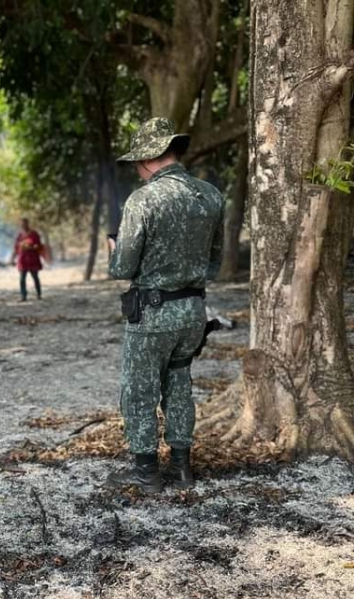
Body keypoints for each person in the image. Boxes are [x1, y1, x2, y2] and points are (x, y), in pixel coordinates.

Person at [107, 117, 224, 494]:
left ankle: (146, 473)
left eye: (137, 164)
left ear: (148, 159)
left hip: (153, 313)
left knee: (140, 390)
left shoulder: (143, 200)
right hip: (193, 313)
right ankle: (183, 468)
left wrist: (114, 252)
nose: (137, 172)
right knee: (179, 385)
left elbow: (122, 268)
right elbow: (215, 262)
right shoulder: (210, 195)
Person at [11, 218, 43, 301]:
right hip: (23, 260)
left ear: (28, 224)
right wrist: (12, 258)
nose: (23, 225)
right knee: (22, 279)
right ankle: (23, 296)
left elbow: (38, 245)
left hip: (33, 259)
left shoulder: (34, 234)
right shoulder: (20, 235)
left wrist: (30, 247)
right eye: (22, 224)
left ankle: (39, 294)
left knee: (35, 277)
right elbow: (16, 247)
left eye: (25, 224)